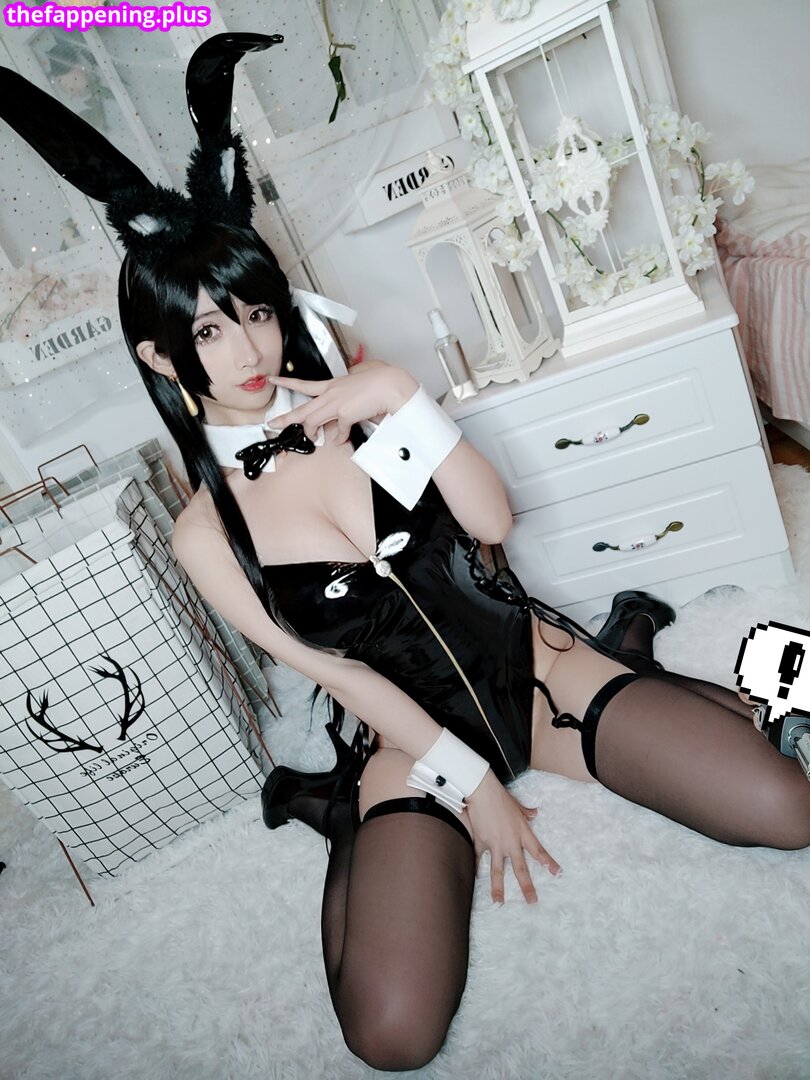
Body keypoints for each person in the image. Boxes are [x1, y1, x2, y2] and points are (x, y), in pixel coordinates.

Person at [4, 33, 809, 1074]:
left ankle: (624, 656)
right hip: (408, 741)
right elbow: (336, 670)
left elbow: (492, 524)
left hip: (534, 675)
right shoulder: (203, 532)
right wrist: (472, 786)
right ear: (161, 355)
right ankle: (337, 811)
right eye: (207, 333)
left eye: (256, 313)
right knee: (392, 1033)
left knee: (787, 809)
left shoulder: (363, 396)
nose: (248, 350)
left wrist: (397, 397)